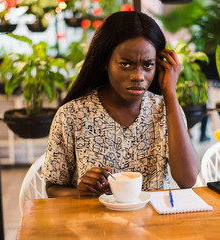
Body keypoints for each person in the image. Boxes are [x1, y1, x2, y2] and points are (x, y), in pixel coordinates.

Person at [41, 11, 200, 198]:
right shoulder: (71, 115)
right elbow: (52, 188)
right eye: (126, 64)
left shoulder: (164, 109)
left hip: (154, 223)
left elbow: (187, 180)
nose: (138, 76)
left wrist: (170, 94)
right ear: (106, 62)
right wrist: (80, 192)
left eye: (148, 65)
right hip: (97, 223)